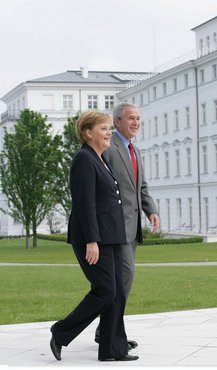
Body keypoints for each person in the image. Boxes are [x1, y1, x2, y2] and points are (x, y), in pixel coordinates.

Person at [50, 110, 139, 362]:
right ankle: (60, 332)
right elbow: (85, 204)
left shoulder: (100, 158)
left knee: (116, 291)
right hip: (93, 238)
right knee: (105, 291)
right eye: (104, 128)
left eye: (110, 128)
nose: (109, 132)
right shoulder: (83, 159)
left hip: (109, 236)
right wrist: (92, 240)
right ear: (88, 133)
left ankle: (112, 349)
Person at [95, 102, 160, 349]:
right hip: (115, 227)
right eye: (131, 118)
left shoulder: (135, 150)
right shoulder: (108, 147)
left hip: (132, 229)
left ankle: (107, 330)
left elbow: (140, 187)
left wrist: (151, 210)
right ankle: (110, 333)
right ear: (117, 121)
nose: (136, 123)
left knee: (123, 281)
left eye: (139, 119)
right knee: (122, 279)